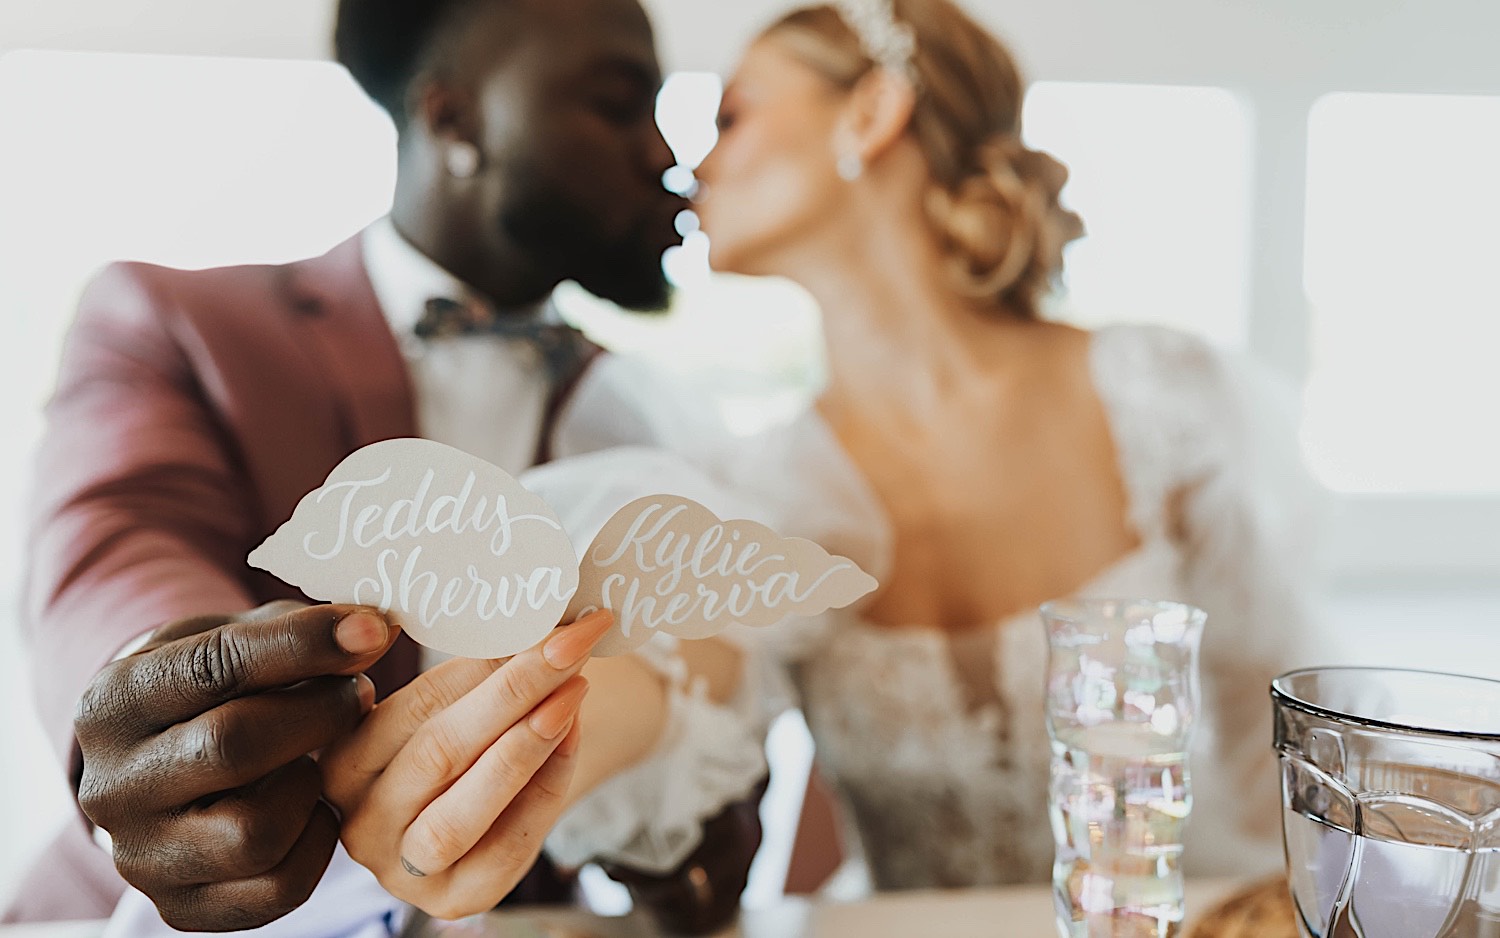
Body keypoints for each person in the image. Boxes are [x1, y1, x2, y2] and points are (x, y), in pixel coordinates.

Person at [513, 0, 1325, 894]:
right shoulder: (767, 489)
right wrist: (533, 733)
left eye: (731, 118)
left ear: (869, 114)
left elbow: (1288, 739)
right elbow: (679, 692)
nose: (691, 168)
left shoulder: (1160, 395)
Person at [6, 0, 765, 929]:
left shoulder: (648, 416)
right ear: (455, 121)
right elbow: (115, 545)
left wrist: (675, 829)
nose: (661, 155)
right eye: (618, 106)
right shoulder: (178, 322)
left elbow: (687, 736)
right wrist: (155, 701)